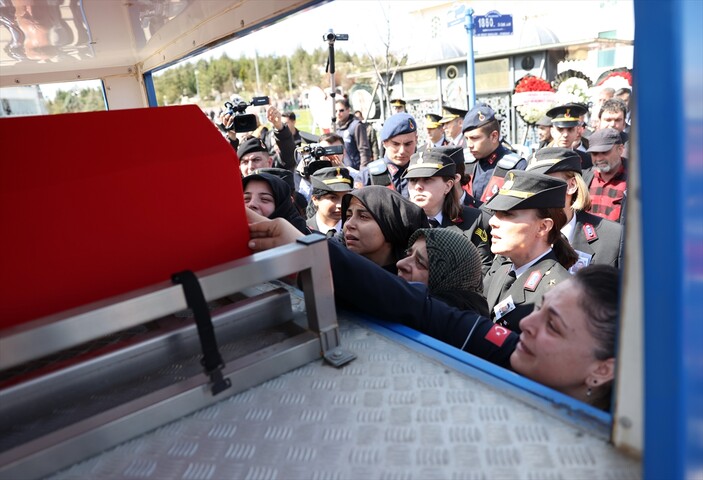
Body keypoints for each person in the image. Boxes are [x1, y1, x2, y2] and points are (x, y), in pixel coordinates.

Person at [247, 211, 619, 410]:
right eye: (543, 311)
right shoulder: (509, 349)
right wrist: (309, 251)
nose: (530, 323)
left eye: (553, 326)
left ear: (603, 369)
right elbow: (417, 309)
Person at [482, 170, 578, 333]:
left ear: (543, 227)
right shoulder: (502, 270)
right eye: (494, 213)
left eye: (507, 214)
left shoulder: (560, 293)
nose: (492, 221)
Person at [526, 148, 624, 270]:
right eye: (532, 185)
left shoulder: (612, 236)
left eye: (546, 183)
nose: (537, 192)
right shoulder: (518, 235)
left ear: (571, 185)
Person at [403, 149, 494, 272]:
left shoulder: (474, 220)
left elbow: (482, 271)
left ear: (448, 185)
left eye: (427, 179)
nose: (418, 186)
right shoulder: (399, 222)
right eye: (413, 180)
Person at [398, 228, 489, 316]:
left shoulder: (443, 326)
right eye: (408, 254)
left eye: (420, 263)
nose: (400, 263)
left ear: (451, 279)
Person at [340, 186, 428, 274]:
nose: (348, 224)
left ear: (390, 227)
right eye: (348, 216)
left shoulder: (410, 279)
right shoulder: (337, 274)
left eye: (363, 217)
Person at [463, 103, 526, 203]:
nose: (469, 144)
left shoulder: (516, 166)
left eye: (474, 138)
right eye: (466, 139)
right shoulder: (465, 162)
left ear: (494, 136)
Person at [360, 112, 418, 197]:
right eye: (396, 144)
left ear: (416, 140)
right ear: (384, 143)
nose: (402, 151)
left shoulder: (425, 173)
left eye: (408, 144)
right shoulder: (368, 175)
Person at [583, 128, 628, 223]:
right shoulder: (584, 178)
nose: (599, 158)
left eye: (605, 152)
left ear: (620, 149)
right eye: (594, 154)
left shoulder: (636, 180)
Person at [242, 172, 309, 234]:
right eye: (246, 199)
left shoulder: (312, 240)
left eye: (264, 199)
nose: (252, 204)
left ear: (283, 206)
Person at [306, 166, 354, 236]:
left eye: (345, 197)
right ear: (315, 199)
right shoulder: (303, 230)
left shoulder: (354, 230)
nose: (340, 205)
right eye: (333, 198)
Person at [546, 103, 592, 170]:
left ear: (577, 131)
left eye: (570, 129)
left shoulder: (587, 160)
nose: (565, 134)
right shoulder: (539, 157)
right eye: (560, 129)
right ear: (552, 131)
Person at [334, 98, 371, 170]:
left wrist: (363, 171)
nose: (338, 113)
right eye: (336, 111)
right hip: (343, 169)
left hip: (356, 170)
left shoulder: (357, 125)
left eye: (341, 110)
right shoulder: (337, 127)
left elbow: (364, 150)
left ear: (348, 110)